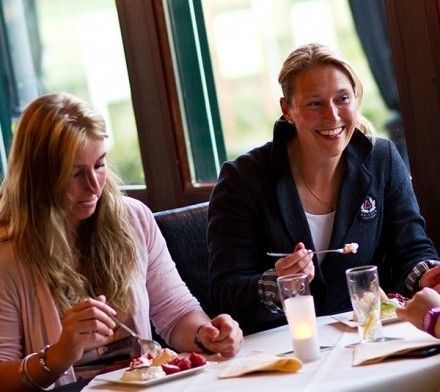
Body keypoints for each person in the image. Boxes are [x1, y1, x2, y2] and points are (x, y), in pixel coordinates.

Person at [0, 93, 243, 391]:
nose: (93, 186)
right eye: (76, 173)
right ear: (39, 177)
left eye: (99, 165)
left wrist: (204, 334)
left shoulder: (134, 219)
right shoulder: (8, 255)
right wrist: (62, 353)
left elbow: (176, 311)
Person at [208, 42, 440, 334]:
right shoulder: (242, 179)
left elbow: (411, 249)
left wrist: (426, 275)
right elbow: (224, 289)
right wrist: (278, 283)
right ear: (287, 110)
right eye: (314, 103)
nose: (332, 116)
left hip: (367, 333)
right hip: (283, 347)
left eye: (342, 99)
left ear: (355, 99)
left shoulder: (382, 159)